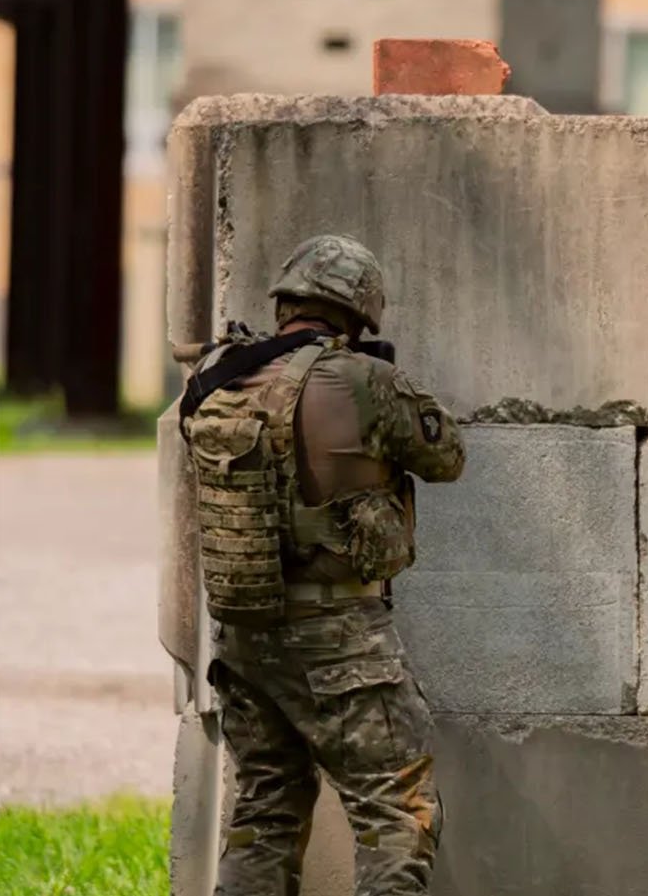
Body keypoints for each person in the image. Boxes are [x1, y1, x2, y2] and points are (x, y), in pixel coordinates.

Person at [179, 234, 465, 895]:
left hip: (246, 638)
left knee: (266, 812)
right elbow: (447, 454)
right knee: (397, 815)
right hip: (341, 641)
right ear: (358, 312)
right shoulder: (360, 379)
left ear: (285, 305)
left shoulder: (218, 378)